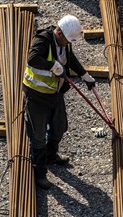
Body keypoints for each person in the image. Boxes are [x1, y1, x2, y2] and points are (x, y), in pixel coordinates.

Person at [22, 15, 96, 189]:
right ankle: (39, 173)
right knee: (38, 135)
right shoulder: (43, 40)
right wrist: (53, 66)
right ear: (59, 32)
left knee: (59, 126)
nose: (68, 44)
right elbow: (32, 59)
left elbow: (71, 59)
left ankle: (51, 154)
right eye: (67, 40)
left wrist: (85, 76)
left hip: (54, 93)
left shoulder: (64, 43)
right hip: (37, 96)